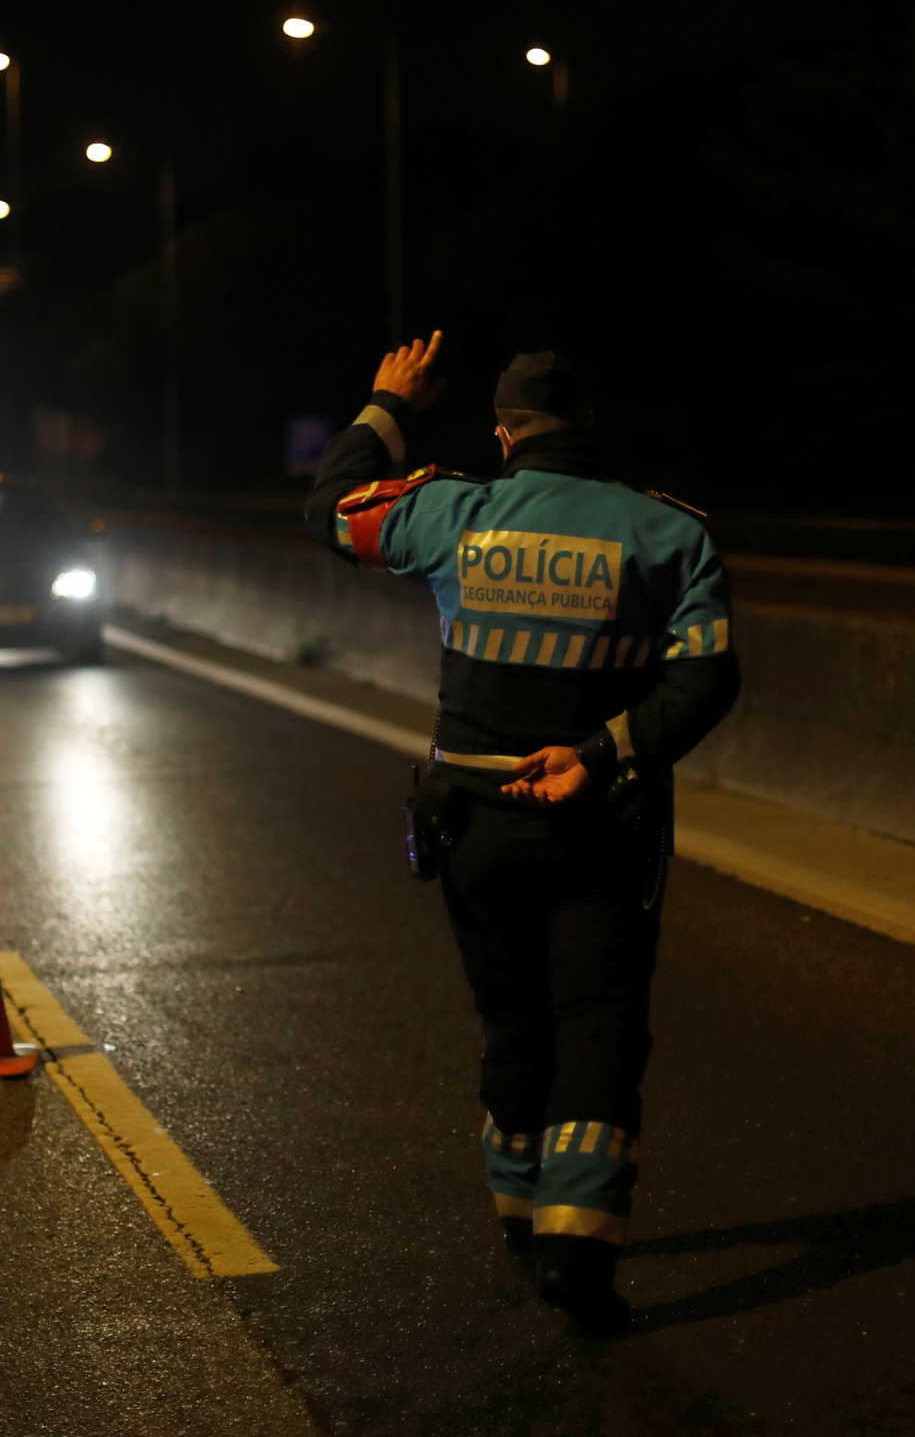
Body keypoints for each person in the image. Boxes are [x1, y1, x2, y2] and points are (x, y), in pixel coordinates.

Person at [304, 333, 741, 1334]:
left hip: (471, 820)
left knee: (510, 1018)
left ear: (503, 434)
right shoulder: (665, 534)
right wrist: (606, 748)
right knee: (595, 1022)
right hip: (600, 817)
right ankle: (574, 1255)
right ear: (591, 433)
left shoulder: (451, 513)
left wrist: (385, 403)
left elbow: (329, 509)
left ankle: (514, 1212)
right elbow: (707, 677)